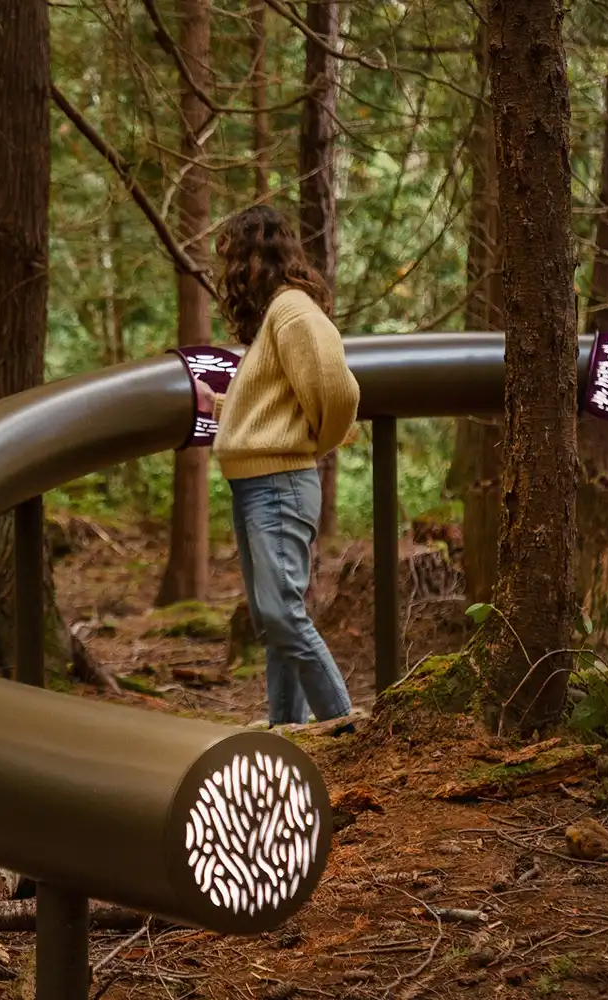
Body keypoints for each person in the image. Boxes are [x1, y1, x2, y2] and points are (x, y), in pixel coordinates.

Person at [191, 204, 359, 728]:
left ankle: (343, 726)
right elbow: (269, 406)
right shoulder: (277, 318)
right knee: (275, 618)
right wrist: (215, 408)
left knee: (282, 613)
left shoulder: (293, 310)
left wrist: (312, 443)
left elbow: (337, 389)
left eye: (233, 259)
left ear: (252, 258)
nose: (229, 274)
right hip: (257, 483)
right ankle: (288, 728)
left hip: (279, 482)